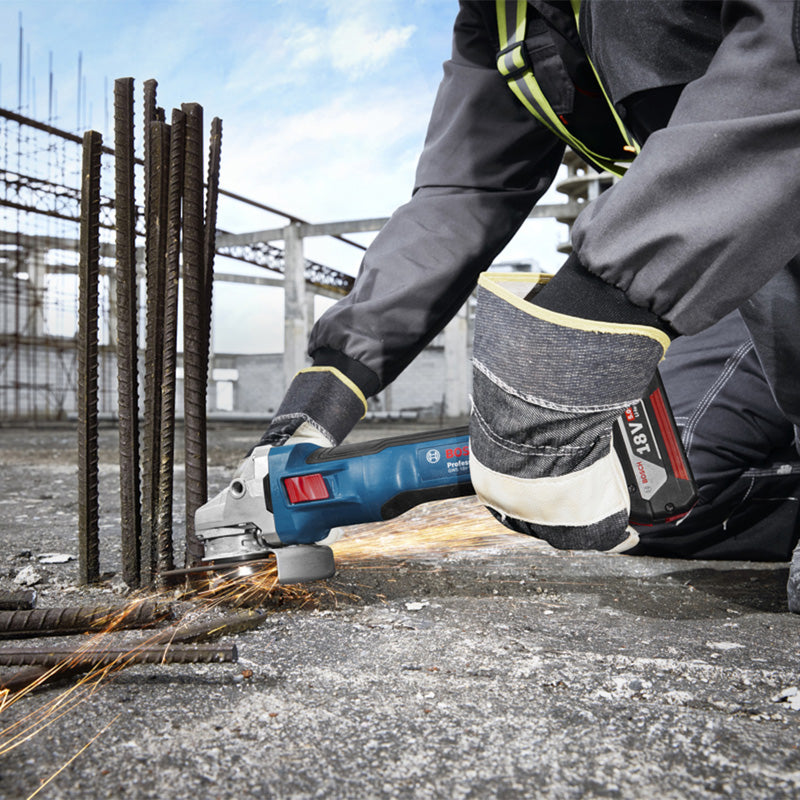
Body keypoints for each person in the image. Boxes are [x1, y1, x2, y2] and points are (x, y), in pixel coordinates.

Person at [214, 2, 800, 609]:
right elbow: (462, 193)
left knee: (656, 469)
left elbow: (785, 66)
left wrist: (594, 308)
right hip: (733, 270)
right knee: (648, 490)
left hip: (763, 237)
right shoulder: (503, 18)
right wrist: (327, 389)